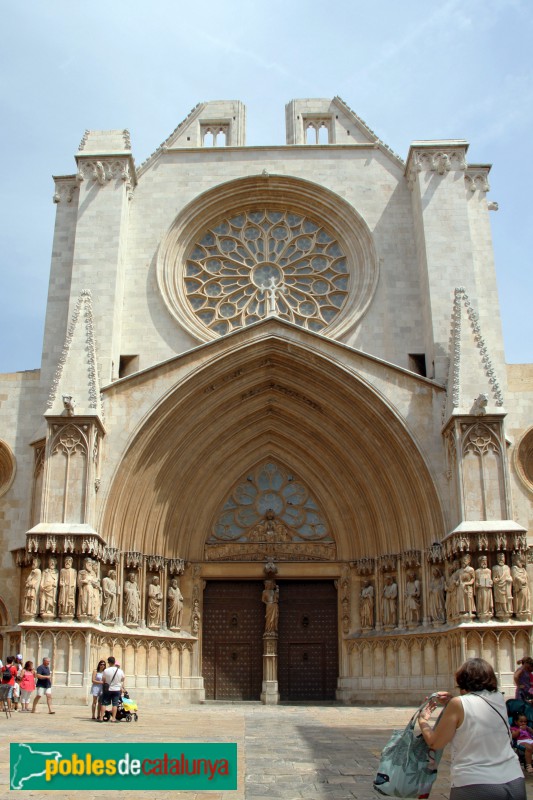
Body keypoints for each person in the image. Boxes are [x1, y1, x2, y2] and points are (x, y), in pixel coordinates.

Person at [418, 657, 525, 799]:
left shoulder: (458, 704)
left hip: (476, 784)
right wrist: (452, 701)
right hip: (513, 781)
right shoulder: (498, 698)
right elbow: (474, 706)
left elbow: (435, 742)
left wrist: (423, 721)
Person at [98, 656, 125, 722]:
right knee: (115, 704)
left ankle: (101, 718)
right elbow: (123, 679)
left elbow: (103, 680)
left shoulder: (106, 670)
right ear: (114, 662)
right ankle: (113, 718)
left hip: (108, 689)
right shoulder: (120, 671)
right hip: (116, 689)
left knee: (104, 703)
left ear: (109, 662)